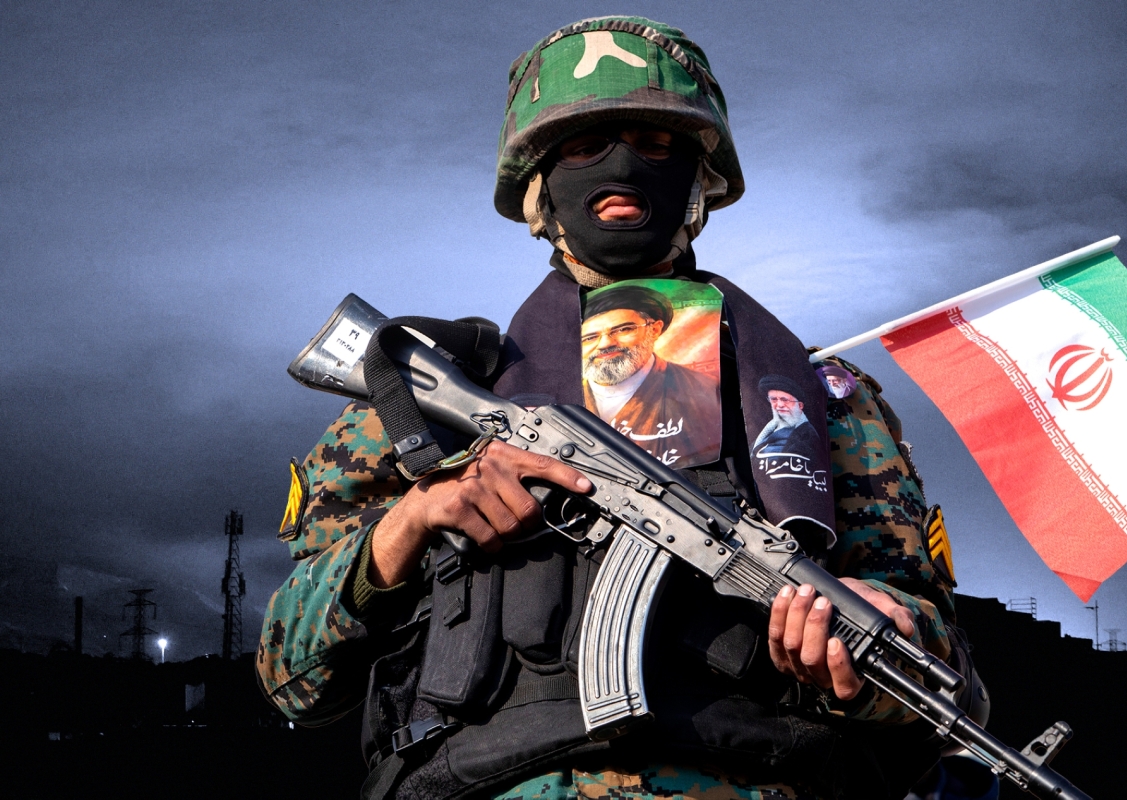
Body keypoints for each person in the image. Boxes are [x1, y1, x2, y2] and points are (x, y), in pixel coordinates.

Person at [258, 17, 970, 800]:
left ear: (703, 181)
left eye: (657, 145)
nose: (622, 167)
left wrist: (867, 642)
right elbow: (293, 678)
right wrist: (411, 522)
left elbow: (946, 681)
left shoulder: (816, 403)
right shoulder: (422, 408)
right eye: (583, 146)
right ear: (536, 188)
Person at [582, 283, 722, 466]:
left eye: (623, 329)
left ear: (654, 329)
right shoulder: (561, 395)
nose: (605, 344)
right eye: (590, 338)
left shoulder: (705, 389)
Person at [752, 375, 823, 458]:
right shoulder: (771, 427)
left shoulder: (806, 436)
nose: (780, 405)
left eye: (785, 400)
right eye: (774, 399)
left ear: (800, 406)